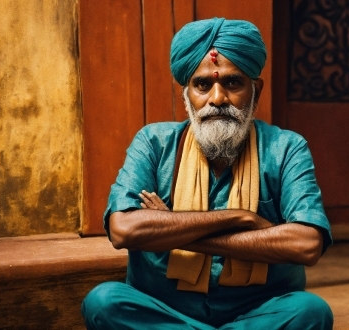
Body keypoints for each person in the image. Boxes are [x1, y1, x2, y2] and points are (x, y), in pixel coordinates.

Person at [82, 17, 333, 330]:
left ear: (256, 89)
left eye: (232, 83)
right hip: (167, 309)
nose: (217, 99)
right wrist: (243, 219)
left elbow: (306, 244)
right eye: (203, 85)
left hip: (256, 312)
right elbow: (124, 230)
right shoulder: (154, 142)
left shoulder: (285, 148)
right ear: (186, 93)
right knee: (104, 301)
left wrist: (173, 231)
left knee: (309, 311)